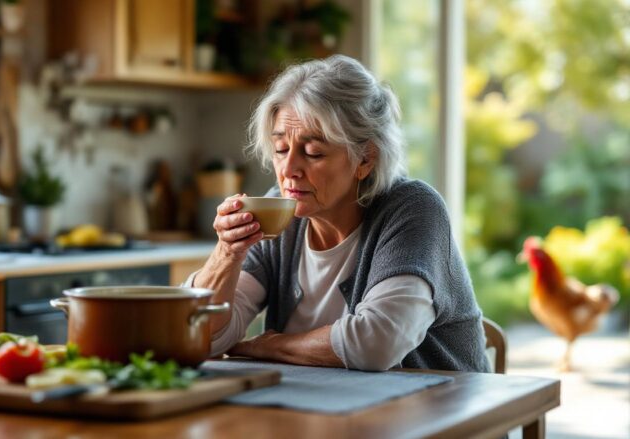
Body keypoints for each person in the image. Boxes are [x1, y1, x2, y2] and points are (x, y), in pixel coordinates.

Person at [188, 55, 490, 372]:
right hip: (320, 409)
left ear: (365, 159)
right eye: (280, 149)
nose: (288, 169)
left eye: (313, 152)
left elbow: (376, 343)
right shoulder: (278, 213)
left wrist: (270, 346)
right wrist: (227, 253)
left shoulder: (411, 209)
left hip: (439, 410)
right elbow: (199, 335)